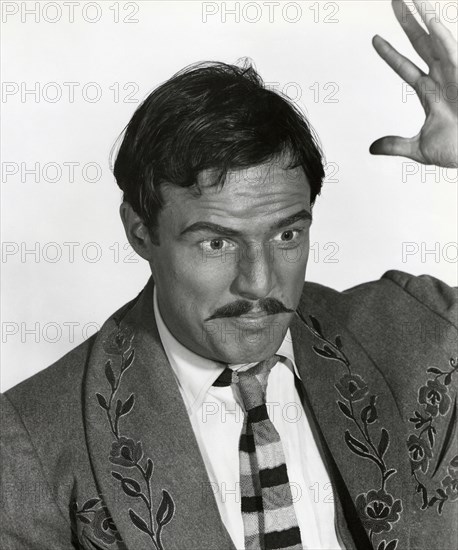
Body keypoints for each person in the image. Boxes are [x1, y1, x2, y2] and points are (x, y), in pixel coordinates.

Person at [1, 1, 457, 549]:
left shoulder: (418, 330)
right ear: (140, 230)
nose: (260, 283)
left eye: (287, 235)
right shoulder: (29, 443)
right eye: (217, 242)